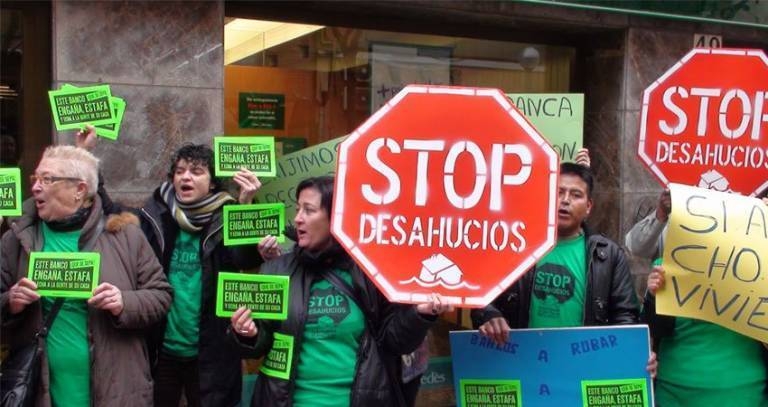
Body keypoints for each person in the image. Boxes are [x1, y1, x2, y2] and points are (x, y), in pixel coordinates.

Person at [77, 126, 265, 407]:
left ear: (213, 182)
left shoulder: (229, 215)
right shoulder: (155, 215)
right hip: (161, 349)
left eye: (196, 171)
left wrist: (246, 204)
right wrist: (84, 154)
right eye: (179, 171)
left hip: (211, 353)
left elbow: (246, 258)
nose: (185, 177)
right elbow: (108, 209)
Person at [230, 176, 452, 407]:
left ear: (335, 217)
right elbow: (260, 341)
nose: (297, 219)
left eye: (309, 210)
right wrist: (248, 334)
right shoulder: (276, 269)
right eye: (297, 210)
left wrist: (420, 315)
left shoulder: (371, 271)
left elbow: (395, 342)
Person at [1, 145, 172, 406]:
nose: (36, 187)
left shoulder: (125, 236)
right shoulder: (16, 239)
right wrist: (10, 303)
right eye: (36, 179)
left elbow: (161, 296)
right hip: (39, 391)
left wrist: (123, 302)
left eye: (47, 180)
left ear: (79, 190)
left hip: (116, 390)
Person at [471, 162, 641, 342]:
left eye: (576, 195)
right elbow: (479, 297)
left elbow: (625, 318)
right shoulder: (514, 243)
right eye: (559, 192)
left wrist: (629, 355)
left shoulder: (608, 255)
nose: (565, 200)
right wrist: (489, 315)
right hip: (518, 358)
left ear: (589, 207)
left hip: (583, 364)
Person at [644, 262, 768, 406]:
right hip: (675, 393)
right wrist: (653, 296)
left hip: (746, 394)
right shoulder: (668, 266)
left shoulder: (760, 264)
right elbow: (653, 330)